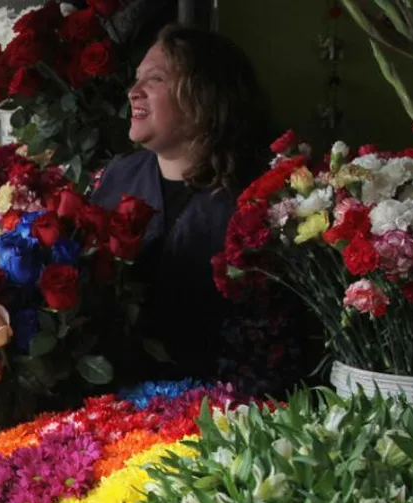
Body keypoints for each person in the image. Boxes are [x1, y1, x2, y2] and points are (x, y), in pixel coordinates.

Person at [91, 24, 307, 395]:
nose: (133, 91)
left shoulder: (265, 192)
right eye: (137, 78)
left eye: (155, 79)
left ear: (204, 96)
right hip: (117, 400)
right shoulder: (116, 178)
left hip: (231, 403)